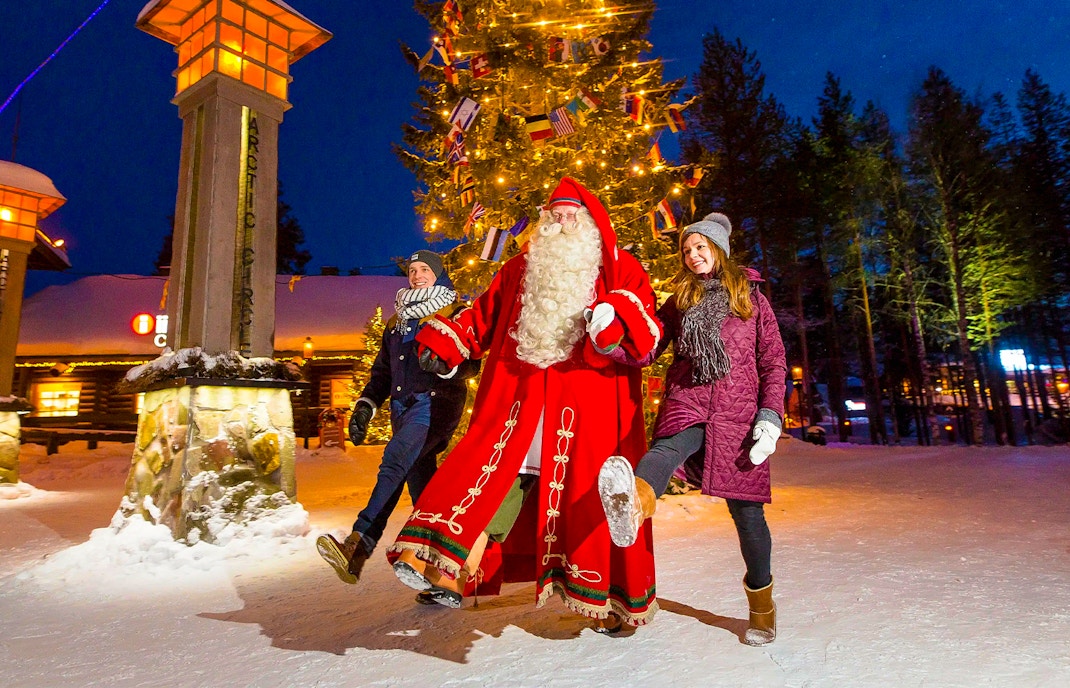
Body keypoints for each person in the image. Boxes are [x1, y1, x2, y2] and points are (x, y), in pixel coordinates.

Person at [386, 178, 662, 633]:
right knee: (495, 477)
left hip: (586, 410)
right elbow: (482, 316)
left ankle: (612, 599)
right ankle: (446, 570)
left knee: (589, 499)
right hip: (522, 399)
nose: (563, 220)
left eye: (573, 213)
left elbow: (645, 332)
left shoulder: (619, 268)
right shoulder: (519, 268)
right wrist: (449, 342)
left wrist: (615, 323)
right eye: (555, 213)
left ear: (592, 221)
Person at [597, 212, 787, 645]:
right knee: (665, 448)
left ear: (718, 248)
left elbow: (773, 361)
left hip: (740, 411)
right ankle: (632, 503)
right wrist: (611, 341)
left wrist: (770, 417)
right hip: (689, 396)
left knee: (747, 514)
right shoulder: (680, 298)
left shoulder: (751, 298)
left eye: (700, 247)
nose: (693, 255)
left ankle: (762, 606)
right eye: (687, 249)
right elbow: (648, 345)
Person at [316, 250, 477, 592]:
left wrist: (447, 367)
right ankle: (444, 574)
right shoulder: (396, 321)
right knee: (424, 491)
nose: (418, 275)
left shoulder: (455, 312)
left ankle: (357, 545)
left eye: (424, 270)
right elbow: (383, 373)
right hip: (403, 411)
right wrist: (366, 405)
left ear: (438, 273)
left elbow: (472, 363)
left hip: (436, 405)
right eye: (412, 270)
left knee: (393, 463)